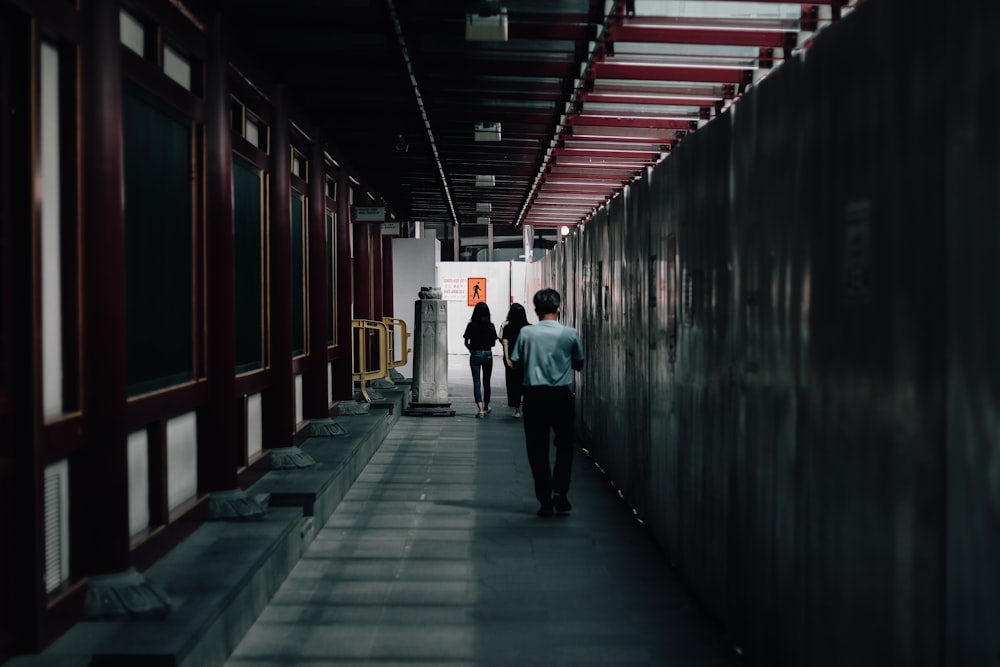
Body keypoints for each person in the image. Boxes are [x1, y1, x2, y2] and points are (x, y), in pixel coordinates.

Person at [510, 288, 584, 517]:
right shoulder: (570, 334)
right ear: (559, 308)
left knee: (537, 448)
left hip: (534, 397)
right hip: (561, 396)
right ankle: (561, 493)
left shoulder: (526, 333)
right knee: (564, 447)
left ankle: (545, 499)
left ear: (536, 310)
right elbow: (579, 364)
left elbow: (516, 361)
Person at [463, 301, 498, 418]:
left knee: (476, 382)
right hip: (488, 354)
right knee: (487, 382)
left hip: (475, 354)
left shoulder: (471, 325)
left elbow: (466, 342)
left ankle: (480, 409)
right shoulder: (490, 326)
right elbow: (493, 343)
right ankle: (487, 406)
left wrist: (471, 349)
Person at [499, 303, 530, 418]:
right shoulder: (529, 327)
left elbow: (505, 342)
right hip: (526, 360)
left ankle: (517, 410)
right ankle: (526, 406)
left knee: (513, 384)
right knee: (526, 383)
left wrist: (507, 358)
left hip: (512, 359)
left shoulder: (507, 326)